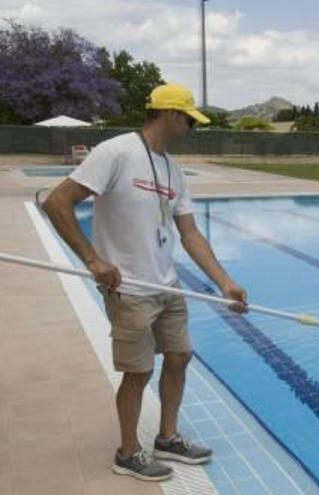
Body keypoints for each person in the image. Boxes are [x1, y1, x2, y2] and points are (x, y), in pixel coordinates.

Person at [42, 83, 248, 482]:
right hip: (130, 289)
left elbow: (189, 232)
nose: (191, 127)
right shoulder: (116, 152)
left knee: (179, 357)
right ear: (170, 115)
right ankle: (127, 452)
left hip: (167, 287)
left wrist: (225, 282)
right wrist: (92, 258)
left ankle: (167, 438)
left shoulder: (171, 167)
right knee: (138, 373)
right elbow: (57, 202)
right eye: (189, 119)